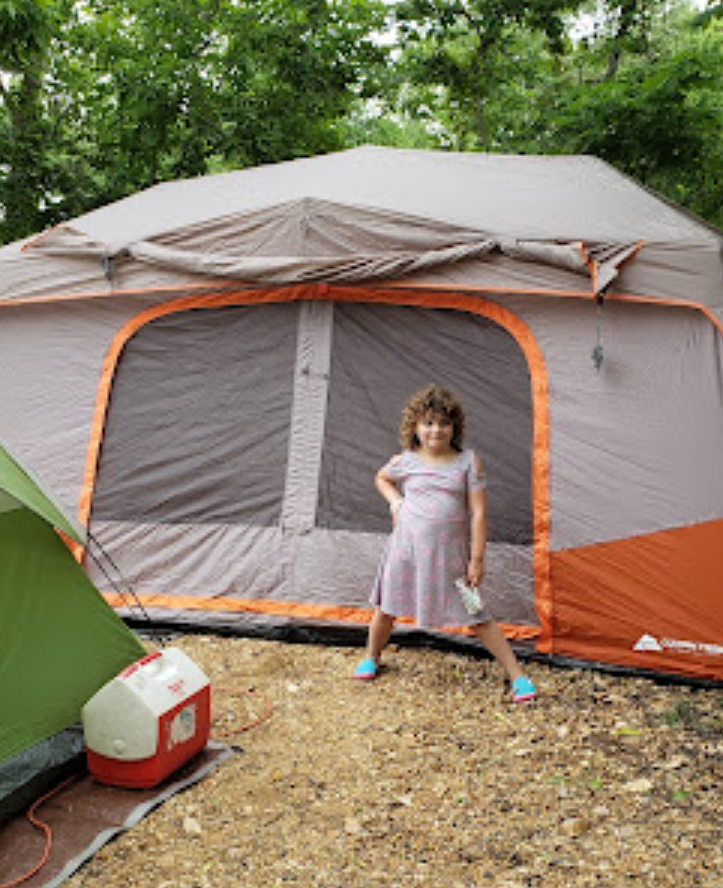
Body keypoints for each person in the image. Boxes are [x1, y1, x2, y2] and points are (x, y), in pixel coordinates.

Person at [353, 384, 537, 703]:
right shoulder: (405, 461)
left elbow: (478, 513)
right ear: (415, 427)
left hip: (450, 556)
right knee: (386, 608)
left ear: (454, 428)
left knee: (476, 614)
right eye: (428, 423)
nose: (436, 430)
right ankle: (372, 656)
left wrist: (477, 558)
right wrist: (396, 503)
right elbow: (381, 478)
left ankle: (517, 675)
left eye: (443, 423)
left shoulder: (468, 462)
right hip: (405, 551)